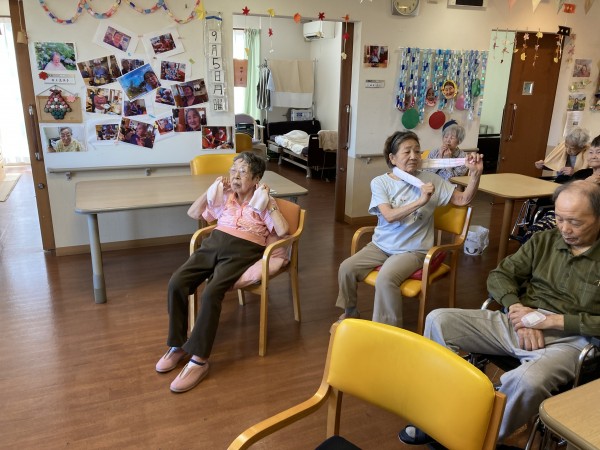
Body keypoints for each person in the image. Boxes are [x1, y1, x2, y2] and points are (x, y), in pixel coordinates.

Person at [405, 180, 600, 446]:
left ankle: (477, 438)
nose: (564, 229)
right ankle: (440, 412)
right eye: (559, 218)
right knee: (439, 320)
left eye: (575, 222)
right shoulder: (545, 240)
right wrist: (519, 310)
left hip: (571, 341)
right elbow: (500, 275)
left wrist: (553, 321)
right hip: (521, 319)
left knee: (527, 381)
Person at [154, 152, 289, 393]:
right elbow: (193, 213)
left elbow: (283, 230)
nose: (235, 176)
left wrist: (268, 202)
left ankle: (199, 359)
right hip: (214, 243)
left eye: (243, 172)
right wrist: (210, 190)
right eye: (233, 171)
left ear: (256, 178)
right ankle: (178, 345)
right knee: (177, 282)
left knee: (212, 291)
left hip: (244, 249)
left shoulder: (262, 200)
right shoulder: (224, 196)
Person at [335, 131, 483, 328]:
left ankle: (387, 331)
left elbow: (463, 199)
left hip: (413, 250)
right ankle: (351, 312)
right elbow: (389, 215)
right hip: (380, 246)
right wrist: (421, 200)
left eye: (417, 151)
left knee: (385, 279)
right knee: (346, 268)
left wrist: (475, 175)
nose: (414, 156)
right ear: (392, 158)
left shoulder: (431, 180)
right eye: (407, 152)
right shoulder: (380, 182)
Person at [518, 134, 600, 244]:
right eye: (591, 152)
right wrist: (586, 183)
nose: (593, 156)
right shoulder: (581, 173)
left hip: (582, 219)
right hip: (562, 214)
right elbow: (566, 196)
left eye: (598, 152)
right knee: (533, 236)